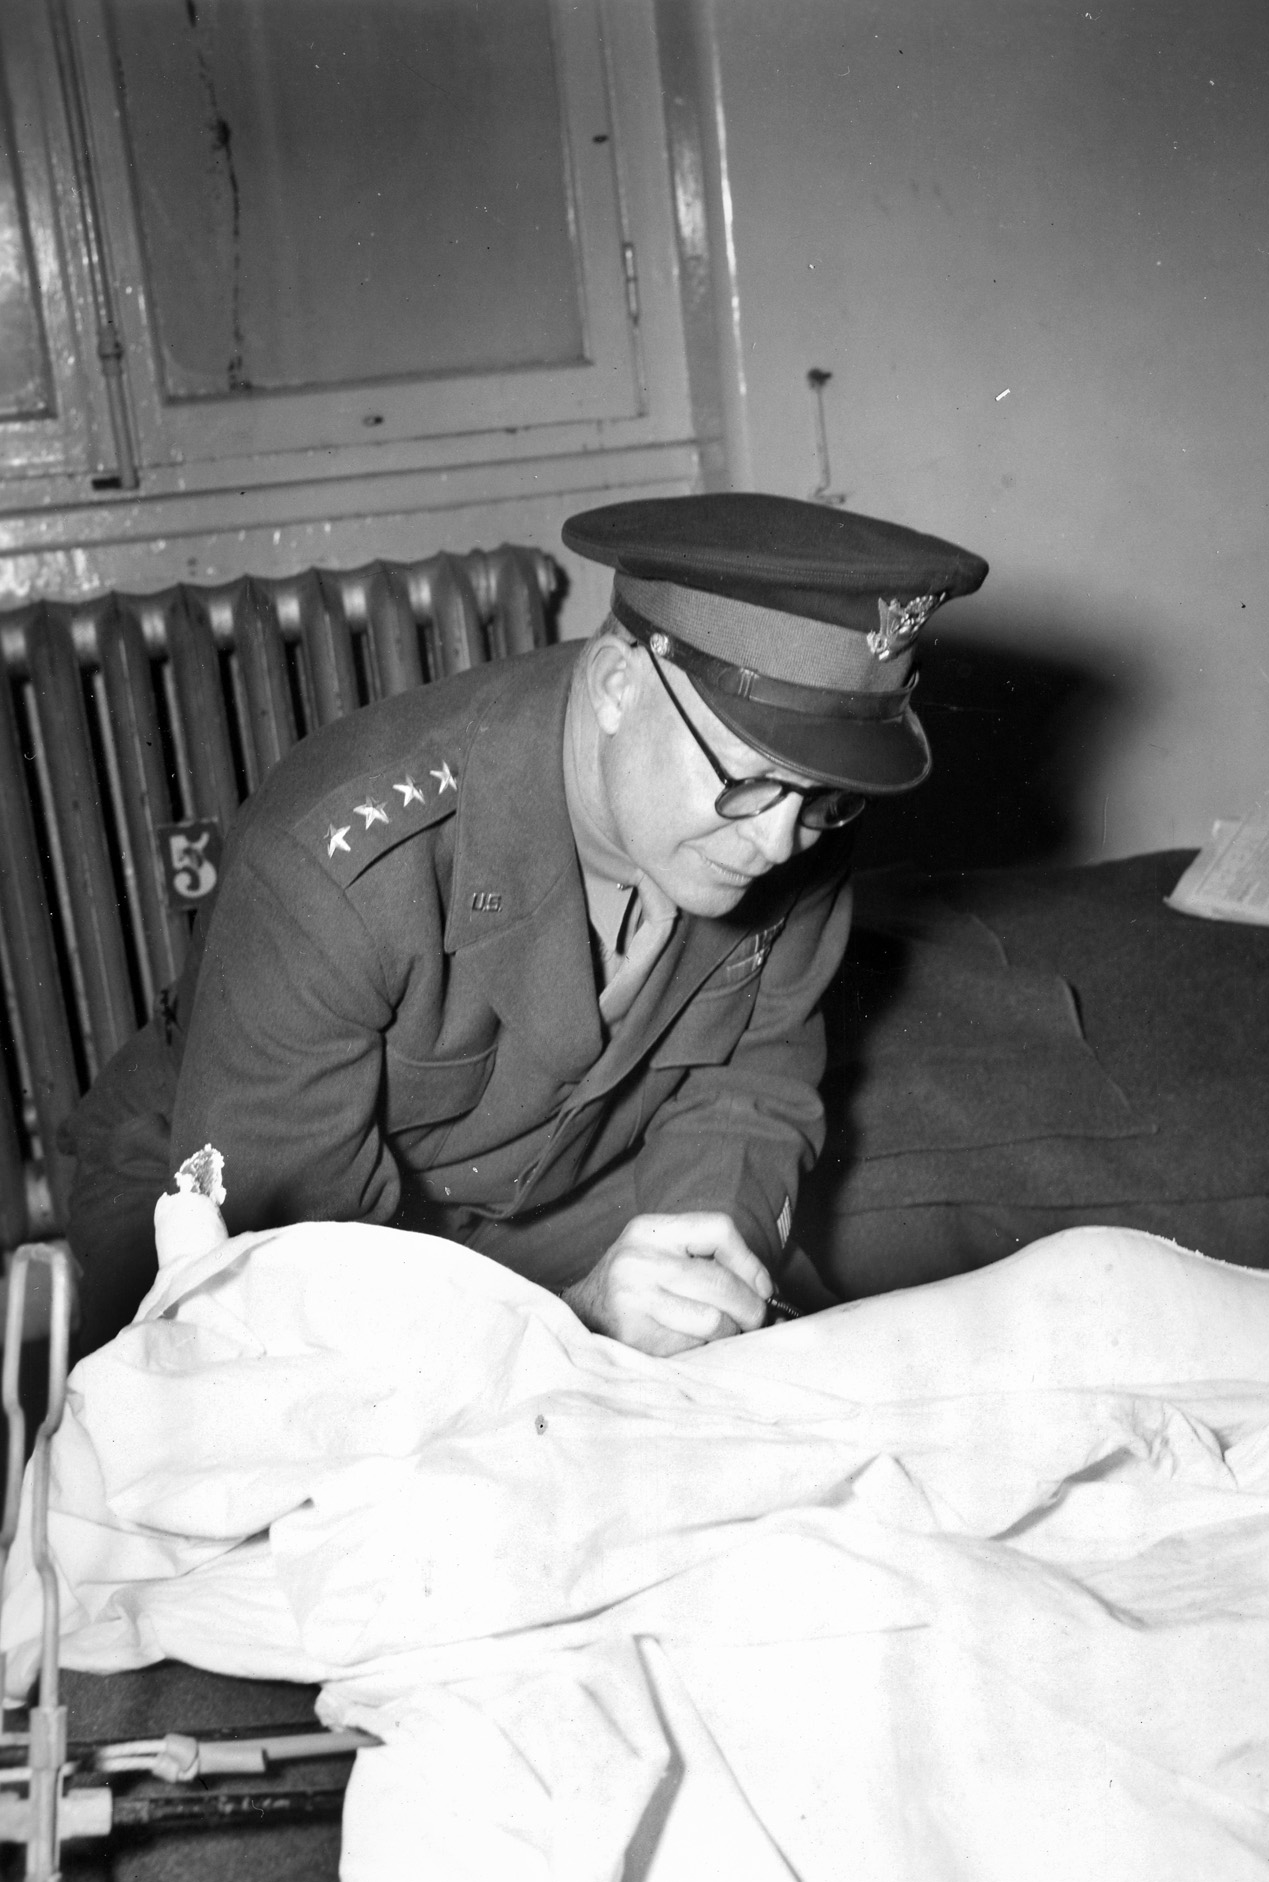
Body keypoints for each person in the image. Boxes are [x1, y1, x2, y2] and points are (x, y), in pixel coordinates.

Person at [62, 493, 986, 1359]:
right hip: (244, 1225)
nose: (782, 840)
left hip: (559, 1185)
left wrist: (698, 1267)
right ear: (620, 684)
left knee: (784, 1397)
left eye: (824, 800)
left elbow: (753, 1079)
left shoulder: (788, 822)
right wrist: (575, 1321)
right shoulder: (335, 860)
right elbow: (297, 1284)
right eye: (749, 781)